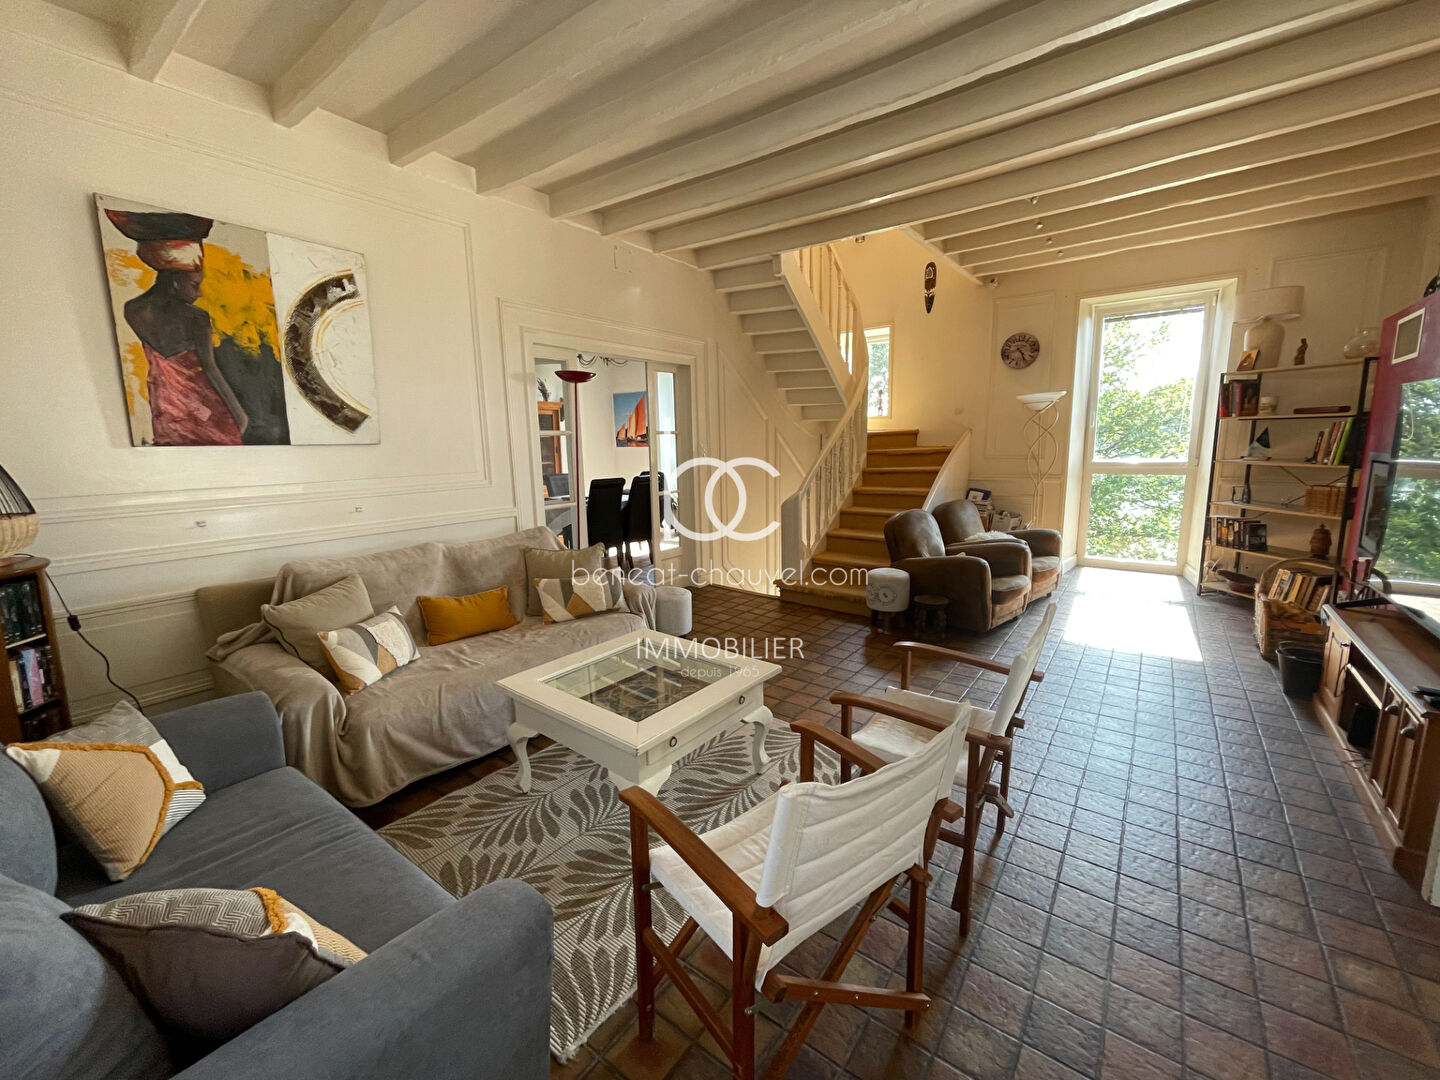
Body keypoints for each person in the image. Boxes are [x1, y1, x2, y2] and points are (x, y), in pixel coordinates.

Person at [105, 209, 248, 446]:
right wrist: (239, 414)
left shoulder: (132, 309)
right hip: (202, 403)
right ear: (175, 282)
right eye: (194, 285)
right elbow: (209, 368)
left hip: (166, 403)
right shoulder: (195, 317)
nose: (199, 293)